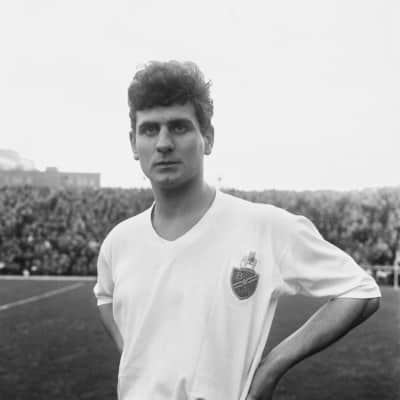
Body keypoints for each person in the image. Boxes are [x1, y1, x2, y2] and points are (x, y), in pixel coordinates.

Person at [93, 60, 381, 400]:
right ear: (133, 143)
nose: (164, 143)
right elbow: (105, 296)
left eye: (179, 127)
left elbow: (360, 291)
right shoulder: (119, 242)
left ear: (208, 138)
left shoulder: (264, 227)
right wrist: (135, 353)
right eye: (150, 130)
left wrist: (272, 367)